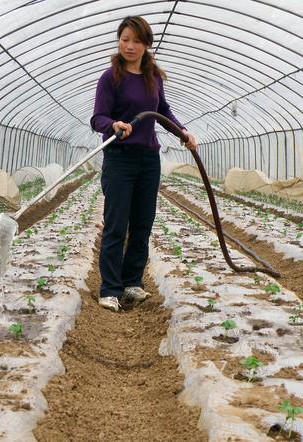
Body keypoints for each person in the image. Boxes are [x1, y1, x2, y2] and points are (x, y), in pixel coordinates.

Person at [90, 16, 197, 312]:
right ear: (118, 40)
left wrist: (183, 132)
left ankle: (132, 282)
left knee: (142, 224)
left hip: (149, 160)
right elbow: (97, 118)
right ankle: (110, 288)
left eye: (136, 41)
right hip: (120, 159)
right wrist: (114, 124)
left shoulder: (153, 78)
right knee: (116, 225)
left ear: (146, 44)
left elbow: (162, 110)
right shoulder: (110, 77)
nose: (130, 46)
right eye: (125, 39)